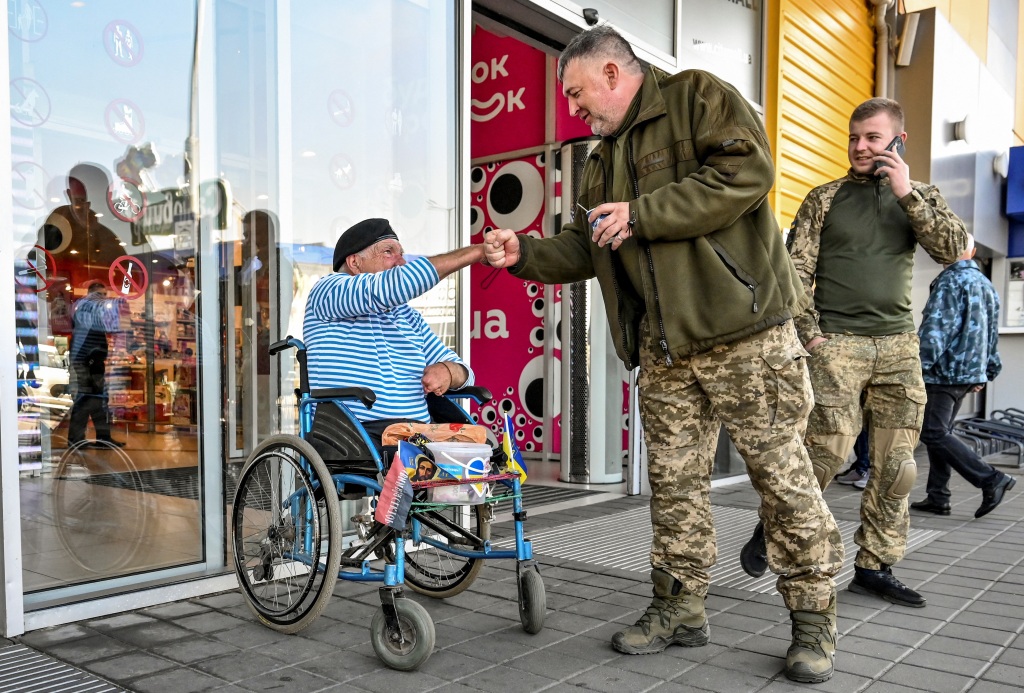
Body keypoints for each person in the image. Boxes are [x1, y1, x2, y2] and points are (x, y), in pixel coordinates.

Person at [482, 25, 843, 684]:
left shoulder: (698, 97)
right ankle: (679, 605)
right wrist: (524, 254)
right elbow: (584, 244)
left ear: (613, 74)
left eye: (577, 92)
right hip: (665, 348)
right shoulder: (600, 159)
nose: (573, 109)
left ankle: (813, 617)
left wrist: (642, 214)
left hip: (745, 333)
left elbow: (747, 171)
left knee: (783, 481)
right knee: (674, 490)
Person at [747, 97, 967, 610]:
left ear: (898, 141)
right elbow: (794, 273)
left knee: (898, 468)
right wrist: (811, 335)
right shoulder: (825, 197)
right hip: (837, 344)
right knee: (825, 455)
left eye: (873, 137)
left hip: (898, 347)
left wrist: (906, 193)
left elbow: (955, 250)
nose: (861, 146)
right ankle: (772, 529)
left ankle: (875, 565)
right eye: (855, 138)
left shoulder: (920, 196)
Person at [303, 218, 484, 441]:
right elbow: (390, 286)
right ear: (354, 262)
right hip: (356, 433)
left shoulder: (407, 316)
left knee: (486, 453)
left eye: (402, 253)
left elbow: (466, 372)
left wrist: (448, 371)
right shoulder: (328, 290)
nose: (401, 262)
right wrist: (477, 253)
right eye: (389, 252)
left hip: (415, 435)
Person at [911, 234, 1015, 519]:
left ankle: (990, 479)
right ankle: (938, 497)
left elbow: (935, 333)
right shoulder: (986, 285)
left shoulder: (950, 281)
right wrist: (985, 370)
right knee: (942, 430)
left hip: (944, 372)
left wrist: (916, 368)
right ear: (974, 251)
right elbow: (990, 335)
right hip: (967, 373)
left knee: (933, 431)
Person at [67, 282, 126, 447]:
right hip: (89, 358)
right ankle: (79, 439)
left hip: (85, 357)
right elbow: (109, 327)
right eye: (101, 294)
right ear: (93, 294)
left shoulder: (79, 306)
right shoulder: (91, 308)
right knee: (89, 398)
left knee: (95, 398)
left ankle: (100, 437)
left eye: (104, 295)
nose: (103, 298)